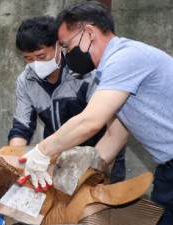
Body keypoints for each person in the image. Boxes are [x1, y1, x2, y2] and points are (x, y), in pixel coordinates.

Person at [19, 1, 173, 224]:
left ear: (89, 33)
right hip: (172, 172)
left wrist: (41, 152)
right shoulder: (108, 71)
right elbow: (115, 136)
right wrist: (78, 177)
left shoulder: (126, 58)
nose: (67, 54)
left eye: (66, 46)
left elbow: (90, 121)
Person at [8, 15, 126, 192]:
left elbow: (103, 126)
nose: (35, 64)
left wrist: (94, 166)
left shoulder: (84, 72)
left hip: (100, 153)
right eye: (28, 58)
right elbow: (22, 127)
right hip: (56, 159)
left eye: (41, 56)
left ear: (58, 45)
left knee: (96, 212)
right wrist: (16, 161)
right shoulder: (26, 81)